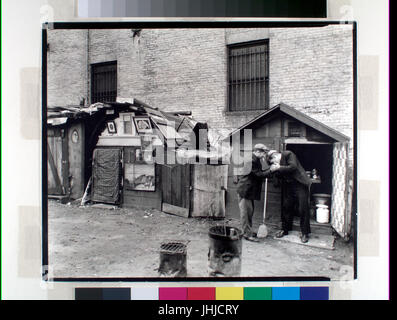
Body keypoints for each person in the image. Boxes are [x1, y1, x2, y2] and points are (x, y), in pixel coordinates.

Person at [267, 149, 312, 243]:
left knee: (302, 208)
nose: (275, 163)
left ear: (275, 156)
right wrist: (273, 172)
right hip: (288, 186)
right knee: (286, 207)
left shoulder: (288, 154)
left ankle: (305, 233)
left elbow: (293, 167)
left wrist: (278, 167)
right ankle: (285, 229)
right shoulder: (278, 165)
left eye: (273, 161)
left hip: (300, 184)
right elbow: (278, 177)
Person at [236, 143, 272, 242]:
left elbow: (259, 173)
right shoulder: (250, 161)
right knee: (245, 214)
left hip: (249, 190)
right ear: (257, 152)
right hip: (245, 190)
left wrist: (269, 171)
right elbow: (258, 174)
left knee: (249, 212)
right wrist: (271, 170)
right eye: (264, 153)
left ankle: (248, 231)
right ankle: (247, 234)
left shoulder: (256, 160)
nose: (264, 155)